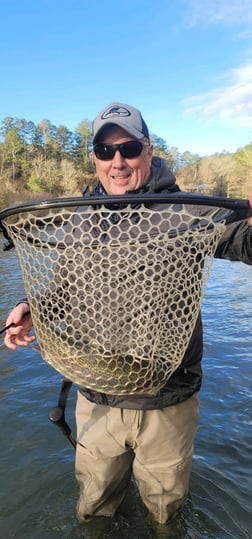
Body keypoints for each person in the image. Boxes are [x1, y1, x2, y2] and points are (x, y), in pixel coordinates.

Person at [4, 102, 252, 525]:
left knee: (165, 516)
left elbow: (246, 243)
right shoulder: (79, 219)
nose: (117, 161)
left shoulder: (190, 212)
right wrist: (33, 307)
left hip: (169, 400)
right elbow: (65, 287)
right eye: (105, 151)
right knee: (93, 509)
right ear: (95, 159)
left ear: (148, 151)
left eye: (129, 148)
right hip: (95, 399)